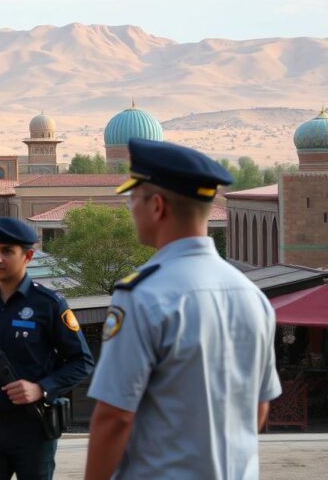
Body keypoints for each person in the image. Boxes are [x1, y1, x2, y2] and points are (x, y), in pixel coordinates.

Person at [84, 139, 281, 480]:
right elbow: (259, 408)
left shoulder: (144, 295)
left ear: (157, 205)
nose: (130, 208)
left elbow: (115, 416)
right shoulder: (253, 296)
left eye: (133, 198)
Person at [0, 217, 95, 480]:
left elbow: (82, 361)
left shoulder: (48, 304)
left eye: (7, 251)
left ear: (27, 256)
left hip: (34, 430)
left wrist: (42, 388)